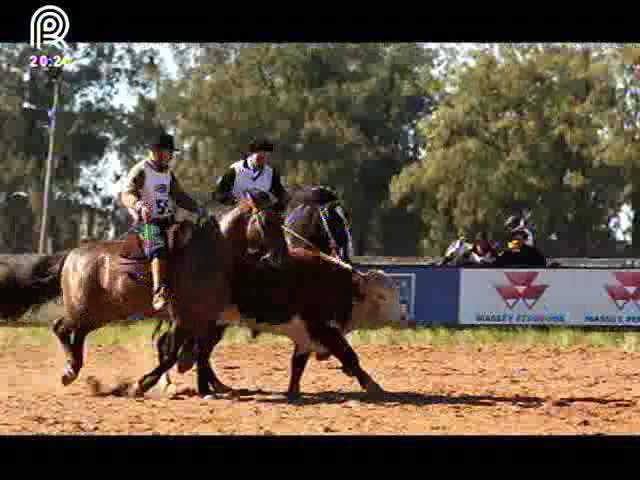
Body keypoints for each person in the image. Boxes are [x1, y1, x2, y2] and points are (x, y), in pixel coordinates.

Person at [119, 131, 208, 311]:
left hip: (168, 221)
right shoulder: (141, 170)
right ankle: (159, 292)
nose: (169, 156)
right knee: (158, 249)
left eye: (170, 153)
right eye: (166, 152)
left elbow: (179, 196)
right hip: (147, 225)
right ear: (156, 151)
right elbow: (126, 194)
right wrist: (138, 206)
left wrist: (198, 209)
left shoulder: (168, 173)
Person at [212, 137, 289, 213]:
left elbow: (282, 195)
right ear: (251, 154)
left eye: (265, 157)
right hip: (236, 212)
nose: (263, 161)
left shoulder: (271, 173)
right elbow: (219, 193)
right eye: (260, 158)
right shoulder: (235, 170)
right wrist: (236, 201)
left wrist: (275, 207)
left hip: (261, 214)